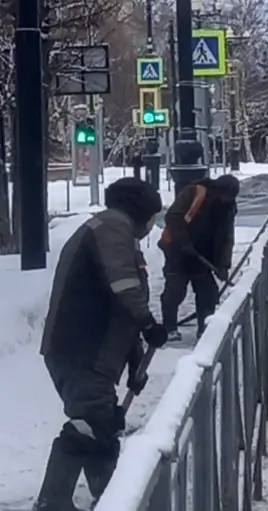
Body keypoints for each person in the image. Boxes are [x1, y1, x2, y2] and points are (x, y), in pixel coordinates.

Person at [35, 178, 167, 511]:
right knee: (91, 423)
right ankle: (53, 502)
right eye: (152, 215)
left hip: (91, 351)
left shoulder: (117, 232)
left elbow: (120, 311)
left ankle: (111, 497)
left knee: (103, 425)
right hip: (80, 349)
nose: (152, 224)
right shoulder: (111, 229)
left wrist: (135, 360)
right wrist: (149, 324)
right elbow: (124, 287)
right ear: (140, 210)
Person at [159, 174, 240, 341]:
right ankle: (169, 328)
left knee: (207, 292)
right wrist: (184, 242)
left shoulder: (228, 207)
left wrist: (223, 265)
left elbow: (227, 237)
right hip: (178, 251)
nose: (225, 200)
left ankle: (205, 327)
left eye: (229, 197)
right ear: (217, 190)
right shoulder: (194, 193)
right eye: (224, 196)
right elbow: (172, 217)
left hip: (204, 255)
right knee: (175, 290)